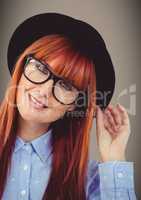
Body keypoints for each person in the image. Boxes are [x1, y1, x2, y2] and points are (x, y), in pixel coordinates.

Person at [0, 13, 137, 200]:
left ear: (75, 104)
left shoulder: (90, 182)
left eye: (65, 85)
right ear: (22, 66)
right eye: (41, 68)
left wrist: (114, 158)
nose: (45, 91)